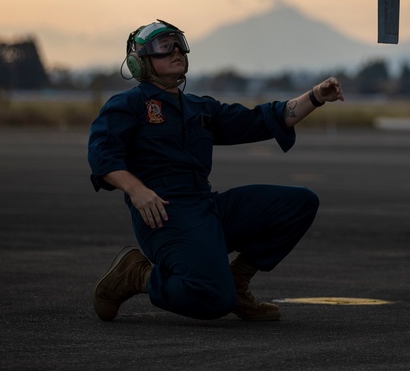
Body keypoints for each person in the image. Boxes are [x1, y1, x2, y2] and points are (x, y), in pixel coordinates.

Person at [87, 19, 344, 322]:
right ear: (138, 63)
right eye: (162, 47)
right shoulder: (127, 105)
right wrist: (136, 190)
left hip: (206, 207)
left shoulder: (200, 108)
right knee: (213, 298)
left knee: (300, 203)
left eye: (179, 43)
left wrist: (315, 97)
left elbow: (261, 119)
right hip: (164, 217)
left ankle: (237, 282)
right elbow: (102, 156)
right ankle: (138, 275)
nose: (176, 52)